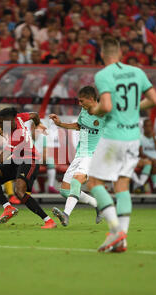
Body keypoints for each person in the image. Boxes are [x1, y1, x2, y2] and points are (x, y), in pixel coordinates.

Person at [85, 38, 156, 253]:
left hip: (113, 138)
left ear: (102, 54)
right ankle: (123, 241)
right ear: (120, 53)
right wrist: (135, 107)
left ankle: (115, 229)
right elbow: (155, 100)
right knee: (122, 185)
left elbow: (106, 106)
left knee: (94, 181)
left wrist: (94, 110)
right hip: (132, 138)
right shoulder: (137, 72)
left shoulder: (103, 75)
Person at [0, 107, 57, 229]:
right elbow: (34, 115)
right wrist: (38, 123)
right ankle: (8, 208)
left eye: (2, 122)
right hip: (17, 160)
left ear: (12, 120)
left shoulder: (16, 136)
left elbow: (1, 158)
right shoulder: (19, 117)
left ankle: (48, 220)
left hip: (30, 160)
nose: (0, 125)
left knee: (19, 191)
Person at [49, 86, 104, 226]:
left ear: (91, 99)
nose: (80, 104)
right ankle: (98, 204)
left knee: (75, 182)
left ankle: (66, 215)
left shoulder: (104, 114)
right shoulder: (84, 111)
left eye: (82, 101)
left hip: (93, 155)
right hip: (80, 154)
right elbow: (78, 126)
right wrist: (60, 124)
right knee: (65, 190)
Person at [132, 119, 156, 194]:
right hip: (146, 159)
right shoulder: (140, 138)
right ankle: (155, 186)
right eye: (147, 126)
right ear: (143, 127)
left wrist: (154, 139)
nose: (149, 128)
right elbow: (140, 153)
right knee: (152, 163)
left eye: (150, 126)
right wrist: (152, 159)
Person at [30, 122, 58, 194]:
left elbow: (45, 152)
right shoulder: (27, 138)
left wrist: (43, 159)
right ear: (31, 128)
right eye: (35, 127)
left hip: (40, 159)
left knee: (51, 161)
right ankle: (30, 186)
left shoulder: (43, 137)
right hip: (30, 159)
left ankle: (51, 187)